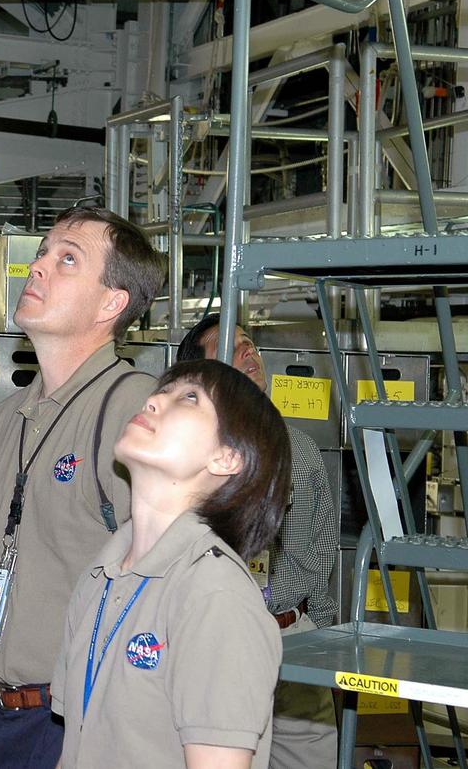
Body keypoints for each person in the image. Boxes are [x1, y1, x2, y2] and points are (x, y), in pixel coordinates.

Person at [0, 206, 165, 768]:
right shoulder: (6, 418)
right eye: (42, 252)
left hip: (76, 720)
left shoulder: (133, 411)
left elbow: (166, 585)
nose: (39, 267)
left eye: (68, 259)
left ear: (112, 303)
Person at [51, 359, 289, 768]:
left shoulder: (215, 596)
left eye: (189, 397)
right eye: (163, 389)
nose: (156, 400)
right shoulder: (101, 575)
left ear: (226, 459)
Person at [177, 314, 340, 768]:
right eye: (233, 346)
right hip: (210, 645)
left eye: (251, 344)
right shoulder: (182, 456)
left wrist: (313, 629)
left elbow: (320, 547)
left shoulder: (300, 449)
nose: (250, 352)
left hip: (290, 643)